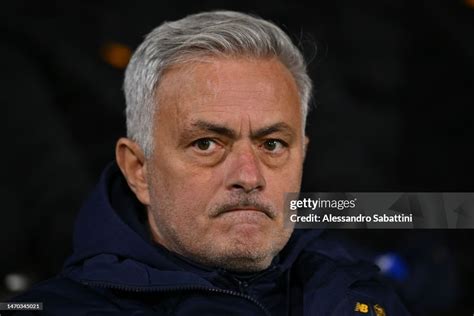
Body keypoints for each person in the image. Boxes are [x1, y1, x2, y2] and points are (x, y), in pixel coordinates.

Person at [10, 11, 409, 315]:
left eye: (272, 144)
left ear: (302, 152)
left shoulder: (359, 288)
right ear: (138, 170)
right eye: (206, 144)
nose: (249, 177)